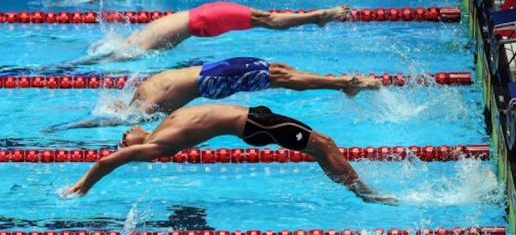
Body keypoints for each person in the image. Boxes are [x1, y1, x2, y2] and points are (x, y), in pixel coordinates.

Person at [65, 104, 395, 203]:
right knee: (323, 145)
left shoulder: (159, 126)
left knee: (324, 146)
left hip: (257, 118)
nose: (123, 137)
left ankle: (359, 188)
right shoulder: (157, 145)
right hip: (254, 124)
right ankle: (364, 193)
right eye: (124, 142)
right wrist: (83, 184)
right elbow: (109, 162)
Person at [52, 59, 382, 131]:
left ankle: (344, 83)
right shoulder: (145, 88)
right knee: (279, 73)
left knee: (280, 79)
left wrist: (66, 128)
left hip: (212, 80)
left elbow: (112, 119)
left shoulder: (146, 105)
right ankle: (343, 82)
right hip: (213, 69)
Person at [92, 2, 349, 59]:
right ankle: (318, 17)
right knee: (266, 19)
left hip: (199, 20)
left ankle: (317, 17)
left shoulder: (132, 47)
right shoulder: (135, 48)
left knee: (265, 19)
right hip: (201, 19)